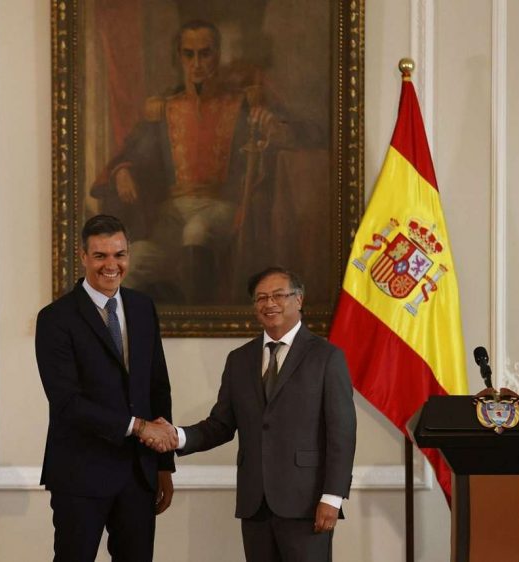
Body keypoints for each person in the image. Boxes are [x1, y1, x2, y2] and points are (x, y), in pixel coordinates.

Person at [144, 267, 356, 561]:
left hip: (307, 504)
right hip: (255, 504)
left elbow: (342, 434)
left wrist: (332, 498)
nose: (269, 304)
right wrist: (176, 436)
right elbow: (220, 425)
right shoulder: (239, 360)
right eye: (261, 298)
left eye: (278, 295)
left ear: (299, 300)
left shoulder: (326, 357)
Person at [91, 20, 308, 304]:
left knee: (197, 229)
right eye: (189, 54)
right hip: (171, 215)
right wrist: (122, 171)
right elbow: (132, 153)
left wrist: (277, 129)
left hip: (221, 209)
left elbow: (302, 131)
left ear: (217, 55)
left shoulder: (242, 102)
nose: (197, 63)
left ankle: (201, 316)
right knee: (136, 259)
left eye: (205, 53)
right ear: (179, 57)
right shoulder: (165, 108)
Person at [35, 214, 178, 561]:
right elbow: (66, 402)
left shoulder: (143, 308)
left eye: (119, 254)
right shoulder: (56, 318)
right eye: (100, 256)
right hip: (80, 473)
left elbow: (158, 387)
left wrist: (163, 466)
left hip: (138, 474)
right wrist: (138, 427)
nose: (111, 265)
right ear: (83, 257)